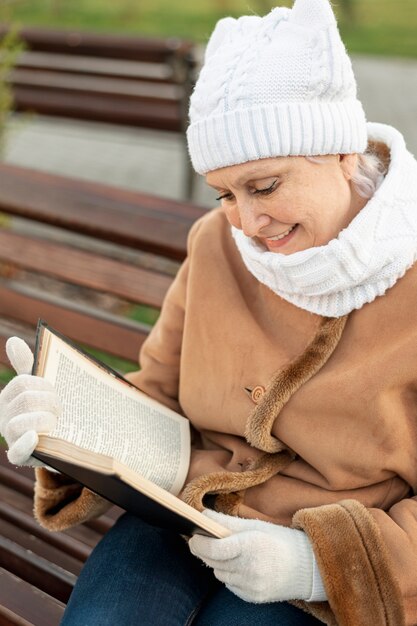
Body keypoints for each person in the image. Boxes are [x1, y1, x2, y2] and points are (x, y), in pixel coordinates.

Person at [1, 0, 416, 624]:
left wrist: (317, 563)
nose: (247, 224)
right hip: (181, 510)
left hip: (321, 554)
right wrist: (64, 429)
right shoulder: (214, 243)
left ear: (341, 152)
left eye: (265, 186)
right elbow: (160, 391)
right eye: (224, 194)